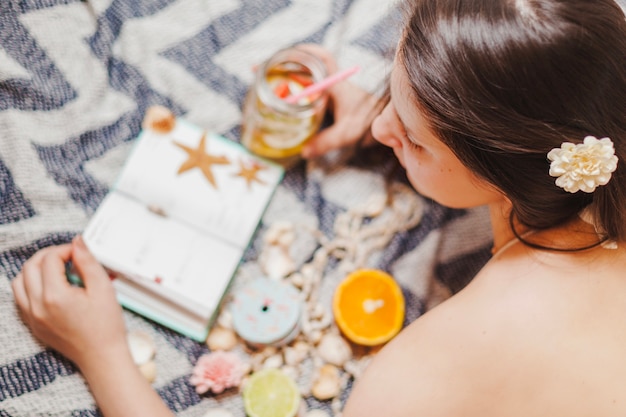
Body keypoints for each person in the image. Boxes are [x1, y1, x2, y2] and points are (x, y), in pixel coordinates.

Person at [11, 0, 626, 415]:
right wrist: (410, 118)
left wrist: (101, 352)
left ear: (505, 175)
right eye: (392, 81)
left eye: (409, 137)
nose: (379, 123)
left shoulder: (427, 367)